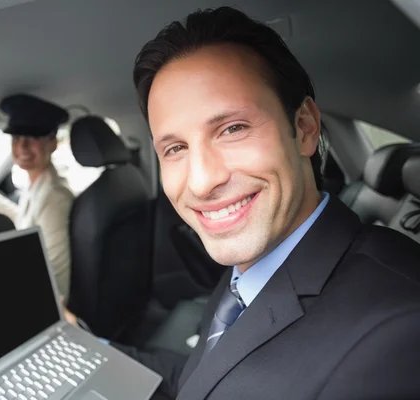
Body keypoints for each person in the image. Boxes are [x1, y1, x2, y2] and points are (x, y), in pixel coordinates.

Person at [65, 6, 420, 399]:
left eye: (233, 129)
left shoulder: (397, 338)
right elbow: (201, 380)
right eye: (176, 148)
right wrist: (86, 346)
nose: (201, 182)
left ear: (304, 128)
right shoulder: (255, 265)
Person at [0, 94, 74, 297]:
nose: (22, 146)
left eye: (33, 137)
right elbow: (27, 219)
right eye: (16, 137)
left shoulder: (54, 197)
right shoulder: (39, 184)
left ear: (52, 143)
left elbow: (55, 275)